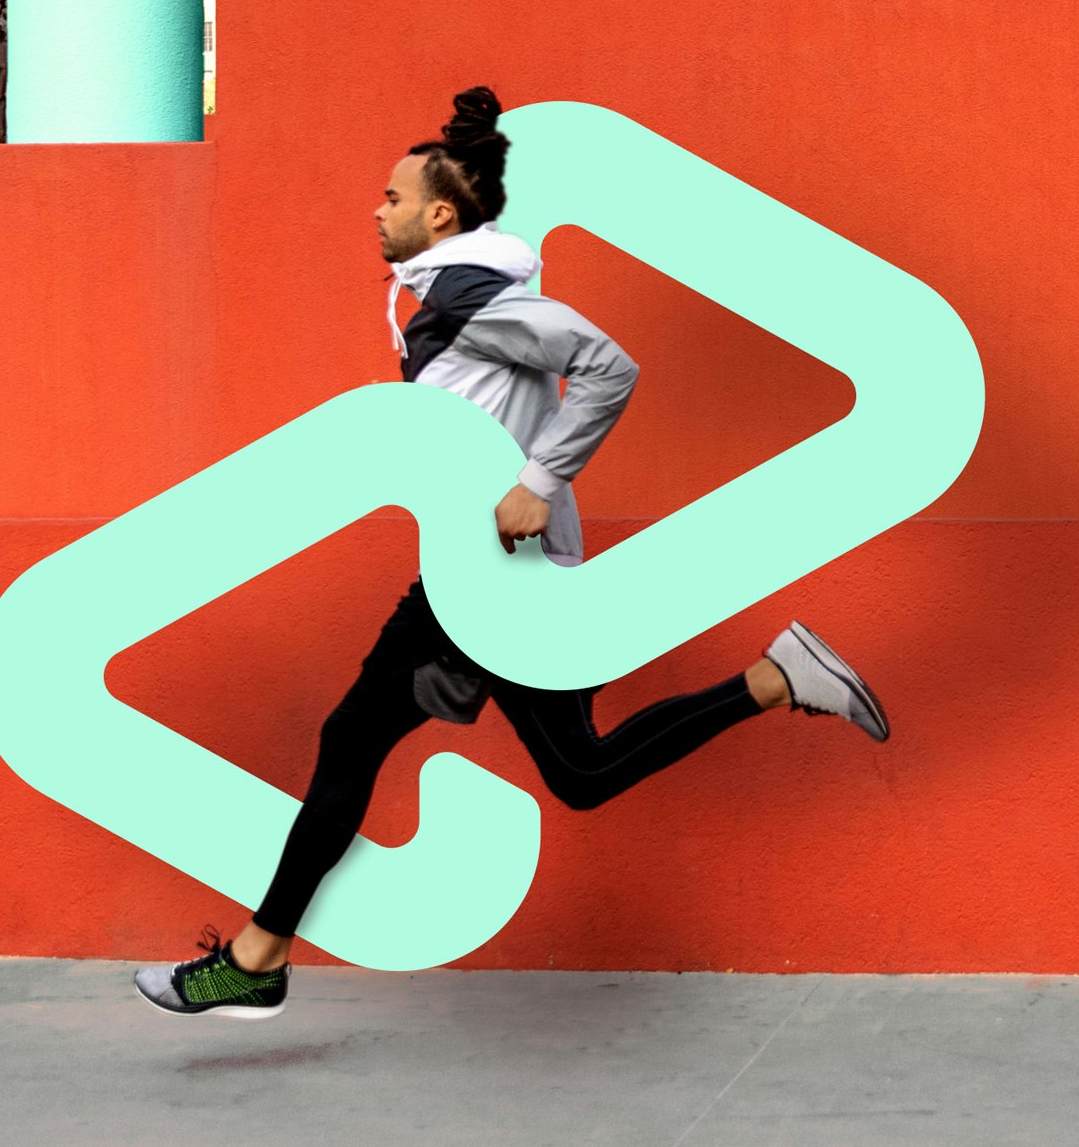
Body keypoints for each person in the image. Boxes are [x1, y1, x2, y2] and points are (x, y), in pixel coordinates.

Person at [135, 86, 890, 1019]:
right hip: (479, 574)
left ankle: (258, 957)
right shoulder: (450, 294)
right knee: (562, 769)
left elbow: (610, 365)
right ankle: (773, 680)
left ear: (440, 214)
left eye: (392, 197)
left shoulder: (474, 303)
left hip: (500, 578)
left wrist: (539, 478)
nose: (377, 209)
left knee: (409, 747)